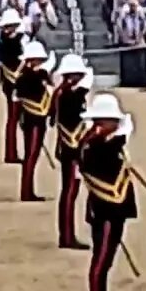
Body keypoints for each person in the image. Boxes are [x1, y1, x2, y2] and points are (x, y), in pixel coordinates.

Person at [77, 93, 137, 291]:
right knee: (100, 265)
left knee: (104, 264)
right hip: (106, 211)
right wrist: (117, 139)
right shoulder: (96, 145)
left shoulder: (101, 142)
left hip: (112, 210)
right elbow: (110, 149)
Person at [50, 55, 92, 250]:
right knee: (69, 192)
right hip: (72, 148)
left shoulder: (64, 93)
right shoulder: (70, 96)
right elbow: (73, 124)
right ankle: (66, 236)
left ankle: (67, 234)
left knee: (69, 192)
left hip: (69, 146)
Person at [14, 41, 53, 201]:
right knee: (31, 155)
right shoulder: (27, 77)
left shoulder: (36, 75)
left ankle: (28, 189)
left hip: (37, 118)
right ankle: (26, 191)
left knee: (33, 155)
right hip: (32, 119)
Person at [0, 9, 25, 163]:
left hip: (17, 82)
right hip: (13, 83)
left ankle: (16, 151)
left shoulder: (16, 39)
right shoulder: (8, 41)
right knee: (13, 118)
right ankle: (11, 153)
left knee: (17, 119)